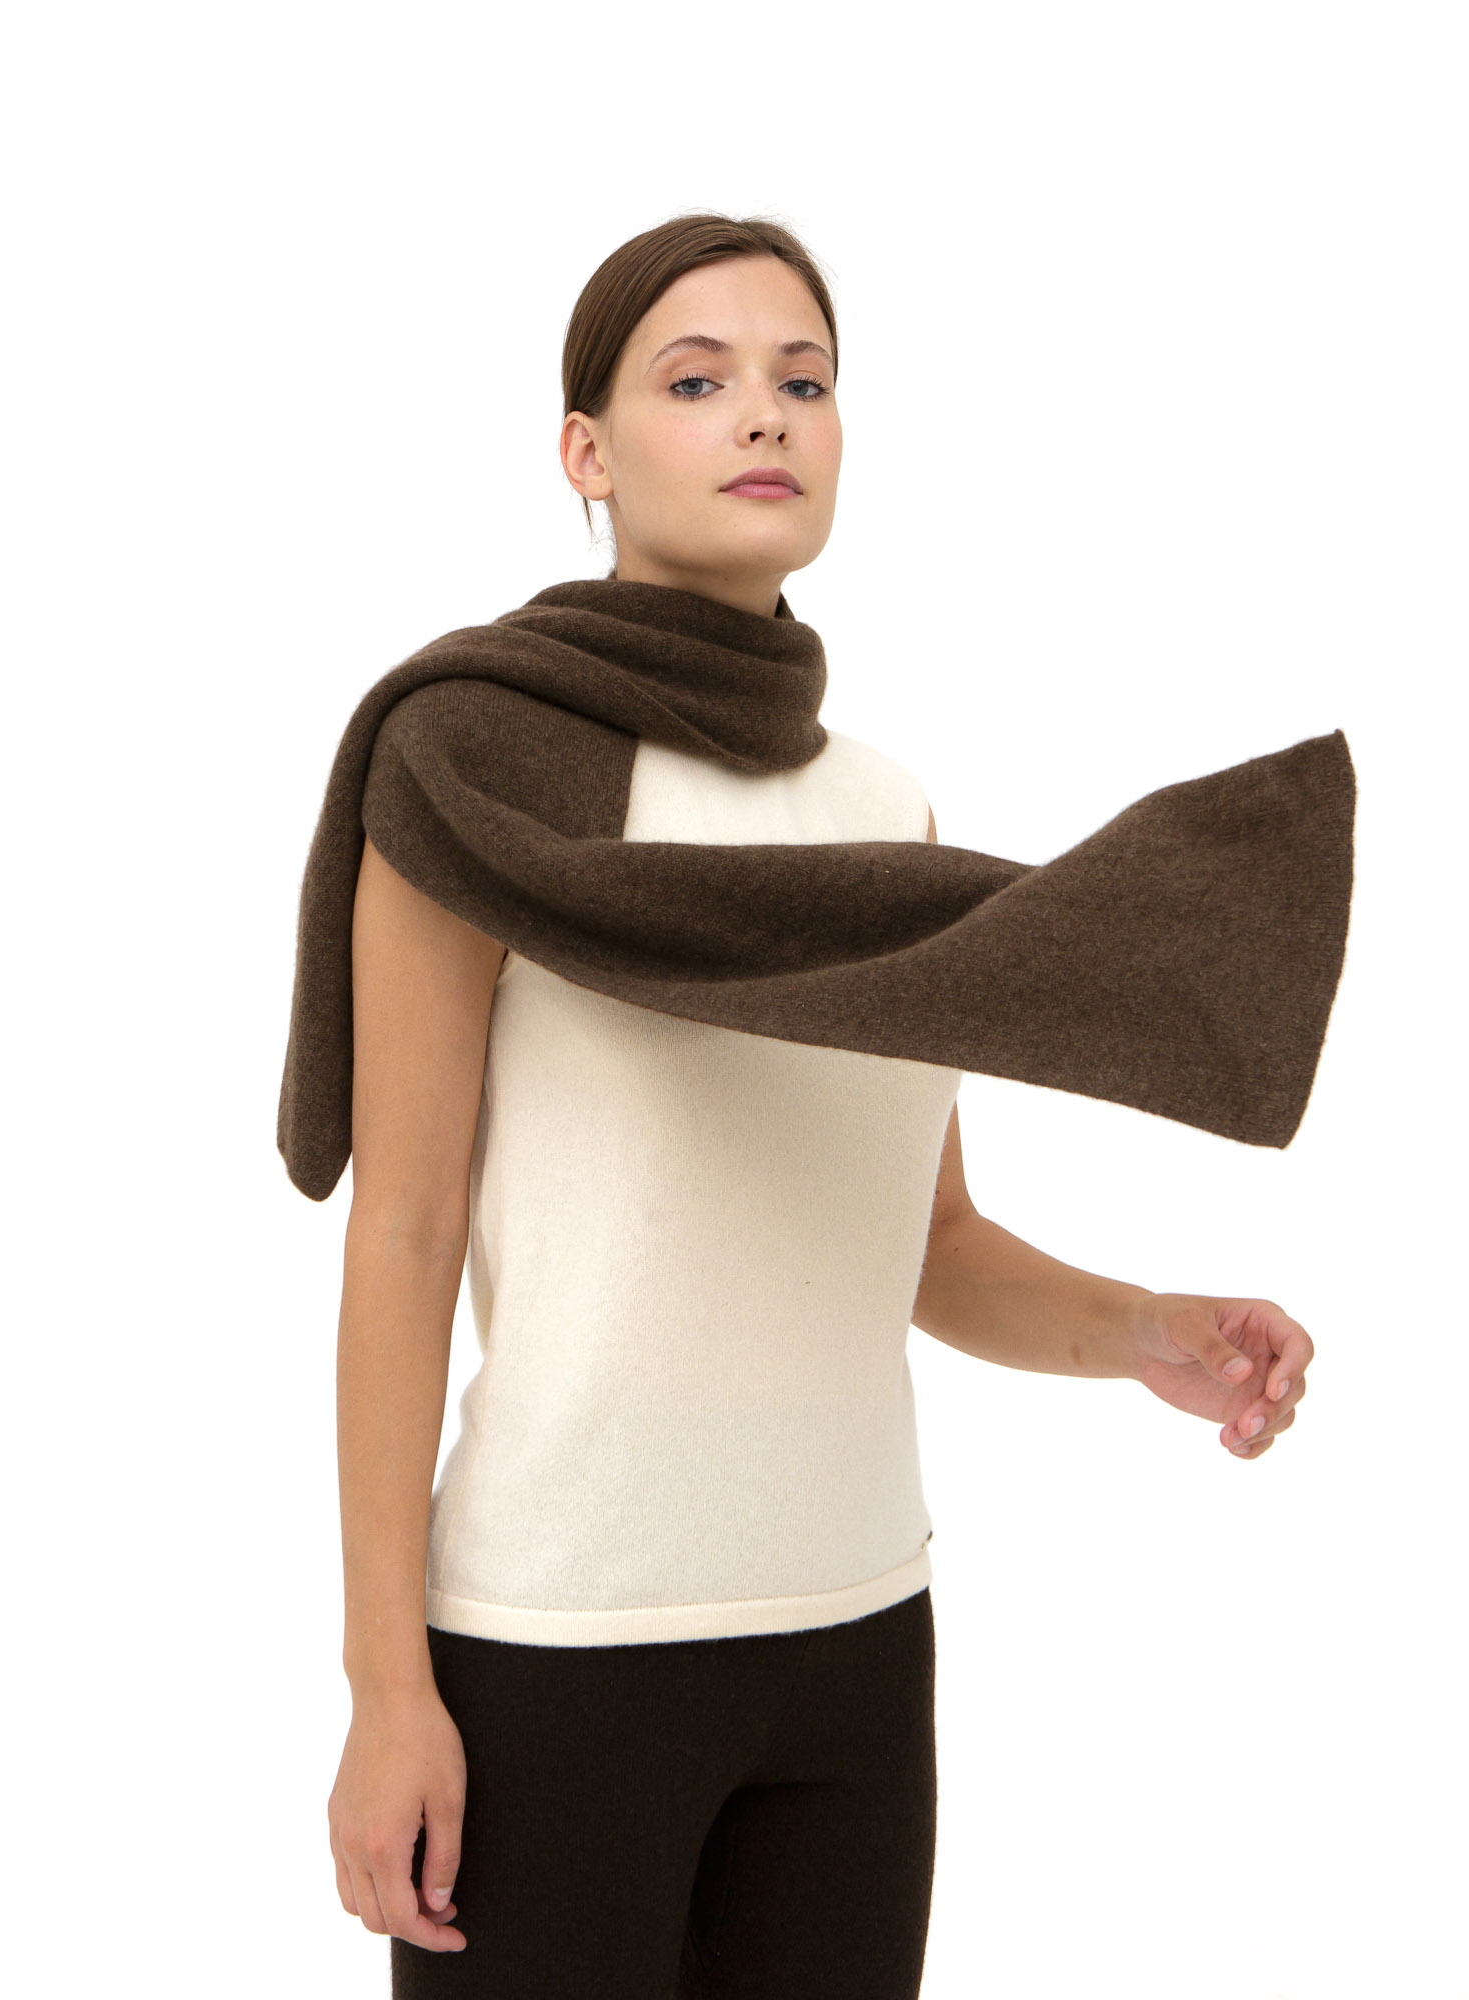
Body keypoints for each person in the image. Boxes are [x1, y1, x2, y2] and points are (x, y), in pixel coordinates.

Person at [320, 213, 1315, 1999]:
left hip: (856, 1646)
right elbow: (400, 1230)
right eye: (696, 382)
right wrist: (389, 1686)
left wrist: (1145, 1331)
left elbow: (925, 1245)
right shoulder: (477, 773)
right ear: (587, 453)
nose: (765, 415)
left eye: (805, 380)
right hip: (559, 1647)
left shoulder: (888, 814)